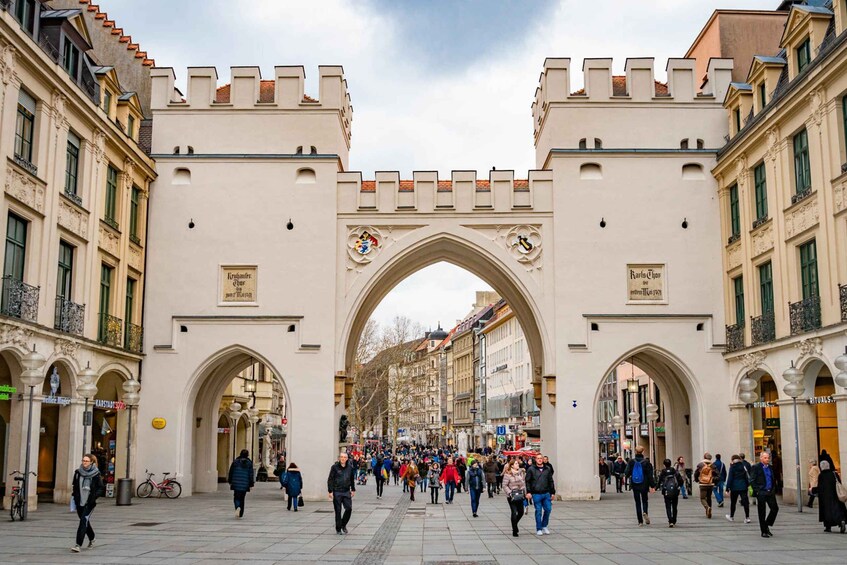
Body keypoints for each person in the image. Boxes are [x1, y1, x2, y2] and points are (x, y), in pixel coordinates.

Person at [70, 453, 104, 552]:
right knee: (85, 522)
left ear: (91, 462)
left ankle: (78, 545)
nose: (84, 462)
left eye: (86, 461)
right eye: (83, 460)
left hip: (89, 503)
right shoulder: (77, 472)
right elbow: (75, 486)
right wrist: (74, 497)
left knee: (83, 521)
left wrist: (93, 497)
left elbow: (100, 488)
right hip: (79, 502)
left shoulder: (96, 474)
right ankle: (92, 538)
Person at [749, 451, 779, 538]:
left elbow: (773, 478)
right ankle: (763, 531)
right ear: (761, 458)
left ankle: (766, 524)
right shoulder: (756, 467)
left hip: (770, 491)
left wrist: (774, 488)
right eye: (765, 458)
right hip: (761, 492)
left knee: (775, 509)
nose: (767, 459)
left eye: (768, 458)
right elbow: (752, 480)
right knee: (762, 512)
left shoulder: (770, 467)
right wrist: (757, 490)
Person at [625, 446, 655, 527]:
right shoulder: (646, 462)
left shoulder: (631, 462)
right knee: (645, 500)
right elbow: (650, 475)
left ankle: (640, 521)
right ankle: (645, 511)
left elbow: (626, 473)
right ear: (643, 452)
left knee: (637, 502)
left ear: (635, 452)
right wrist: (653, 485)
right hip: (644, 484)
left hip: (635, 484)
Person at [327, 451, 356, 535]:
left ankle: (343, 524)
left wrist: (353, 489)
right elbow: (330, 479)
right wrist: (330, 491)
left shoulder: (350, 468)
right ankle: (338, 528)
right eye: (341, 457)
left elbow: (351, 479)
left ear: (347, 459)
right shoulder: (334, 467)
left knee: (349, 508)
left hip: (346, 491)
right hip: (337, 491)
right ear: (339, 458)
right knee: (338, 510)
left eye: (344, 457)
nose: (343, 459)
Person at [526, 453, 555, 535]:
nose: (539, 459)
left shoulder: (547, 469)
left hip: (546, 493)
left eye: (541, 458)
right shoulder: (531, 469)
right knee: (538, 511)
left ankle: (544, 525)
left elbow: (551, 481)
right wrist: (529, 492)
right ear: (535, 459)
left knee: (548, 509)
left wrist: (552, 492)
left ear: (543, 459)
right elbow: (527, 481)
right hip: (536, 493)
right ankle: (539, 528)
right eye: (538, 458)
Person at [816, 460, 847, 533]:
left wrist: (813, 490)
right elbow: (839, 482)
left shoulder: (821, 475)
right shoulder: (834, 474)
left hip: (825, 498)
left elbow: (820, 487)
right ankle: (841, 521)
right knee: (838, 509)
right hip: (836, 495)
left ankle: (828, 526)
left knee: (827, 512)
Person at [227, 449, 254, 519]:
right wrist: (251, 484)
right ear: (247, 455)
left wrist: (230, 481)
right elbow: (251, 474)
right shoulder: (249, 463)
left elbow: (231, 472)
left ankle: (237, 506)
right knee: (242, 498)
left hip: (236, 483)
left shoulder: (235, 462)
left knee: (236, 497)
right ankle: (241, 512)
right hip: (245, 484)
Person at [502, 459, 526, 537]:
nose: (518, 465)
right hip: (511, 496)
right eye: (516, 464)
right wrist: (510, 493)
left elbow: (523, 483)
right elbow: (504, 485)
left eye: (518, 464)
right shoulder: (508, 474)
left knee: (521, 512)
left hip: (520, 494)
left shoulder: (520, 473)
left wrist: (524, 492)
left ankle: (514, 524)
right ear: (512, 465)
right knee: (514, 511)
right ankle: (514, 530)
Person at [725, 454, 751, 523]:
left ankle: (731, 516)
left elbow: (730, 478)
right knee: (745, 502)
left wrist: (727, 488)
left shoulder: (733, 467)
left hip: (734, 487)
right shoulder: (743, 466)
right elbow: (746, 476)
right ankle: (747, 517)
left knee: (733, 502)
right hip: (743, 486)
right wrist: (747, 485)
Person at [657, 458, 682, 527]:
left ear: (664, 465)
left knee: (668, 506)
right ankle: (674, 520)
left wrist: (656, 486)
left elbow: (660, 480)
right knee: (674, 506)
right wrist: (679, 485)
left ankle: (670, 520)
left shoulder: (663, 471)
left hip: (666, 491)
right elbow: (680, 479)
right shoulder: (674, 471)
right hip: (674, 491)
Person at [693, 452, 717, 519]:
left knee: (702, 498)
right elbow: (717, 475)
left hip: (703, 483)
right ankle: (710, 510)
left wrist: (697, 480)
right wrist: (713, 480)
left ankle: (707, 507)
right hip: (710, 483)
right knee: (709, 497)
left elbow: (696, 473)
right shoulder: (713, 465)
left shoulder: (700, 465)